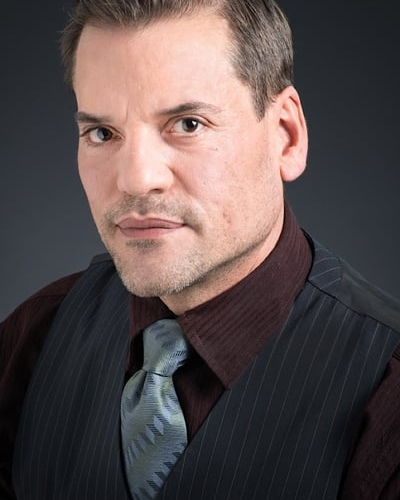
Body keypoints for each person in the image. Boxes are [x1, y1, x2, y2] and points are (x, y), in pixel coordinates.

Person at [1, 0, 400, 499]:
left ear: (286, 136)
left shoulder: (387, 388)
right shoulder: (35, 336)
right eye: (102, 133)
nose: (136, 179)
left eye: (188, 124)